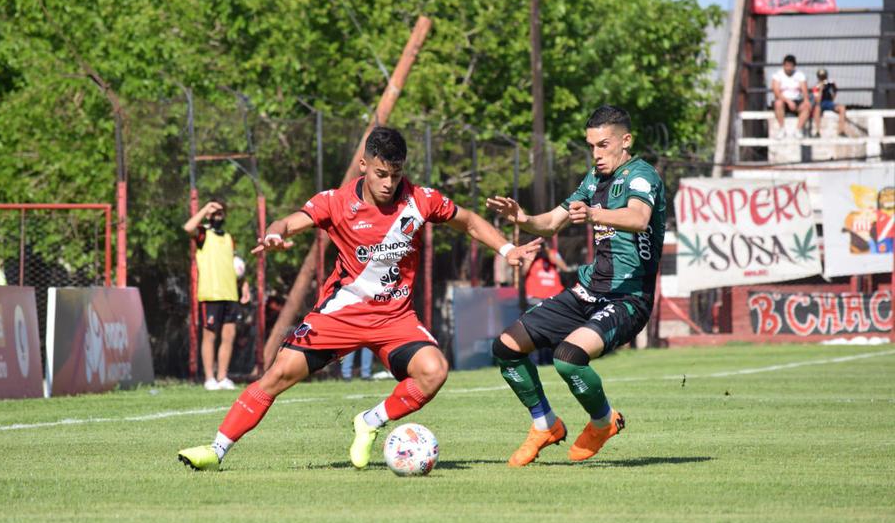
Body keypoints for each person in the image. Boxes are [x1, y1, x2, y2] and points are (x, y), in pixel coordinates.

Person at [178, 126, 540, 471]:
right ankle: (216, 450)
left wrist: (507, 248)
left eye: (396, 175)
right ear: (364, 165)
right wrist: (274, 235)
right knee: (278, 375)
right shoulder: (335, 202)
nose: (389, 183)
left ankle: (370, 421)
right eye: (381, 173)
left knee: (434, 372)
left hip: (394, 319)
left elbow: (470, 221)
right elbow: (288, 222)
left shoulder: (421, 200)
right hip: (340, 315)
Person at [486, 105, 666, 467]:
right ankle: (545, 425)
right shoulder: (592, 181)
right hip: (588, 290)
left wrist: (595, 214)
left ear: (625, 141)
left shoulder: (642, 176)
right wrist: (521, 218)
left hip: (629, 299)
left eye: (603, 145)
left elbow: (639, 217)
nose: (596, 154)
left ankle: (603, 422)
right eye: (591, 146)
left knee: (568, 359)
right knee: (506, 347)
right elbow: (552, 222)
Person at [183, 199, 242, 391]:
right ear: (208, 214)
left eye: (220, 212)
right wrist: (206, 208)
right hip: (211, 293)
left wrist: (245, 285)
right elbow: (188, 227)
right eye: (214, 212)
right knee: (209, 336)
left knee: (229, 336)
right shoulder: (203, 234)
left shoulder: (228, 237)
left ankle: (222, 376)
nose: (218, 215)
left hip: (230, 293)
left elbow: (235, 264)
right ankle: (209, 378)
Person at [771, 55, 811, 133]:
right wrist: (788, 102)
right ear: (783, 65)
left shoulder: (800, 75)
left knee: (807, 106)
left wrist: (806, 100)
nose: (788, 68)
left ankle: (798, 130)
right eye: (787, 65)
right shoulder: (777, 75)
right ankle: (781, 129)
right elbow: (776, 92)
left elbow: (805, 90)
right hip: (784, 101)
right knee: (778, 103)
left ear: (794, 66)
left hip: (797, 101)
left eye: (790, 66)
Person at [811, 68, 847, 136]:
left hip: (829, 103)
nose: (823, 79)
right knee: (817, 109)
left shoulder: (830, 84)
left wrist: (832, 88)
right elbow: (817, 100)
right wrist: (821, 89)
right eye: (821, 77)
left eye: (824, 77)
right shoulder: (816, 87)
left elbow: (835, 91)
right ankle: (817, 132)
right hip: (821, 104)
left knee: (842, 108)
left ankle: (841, 131)